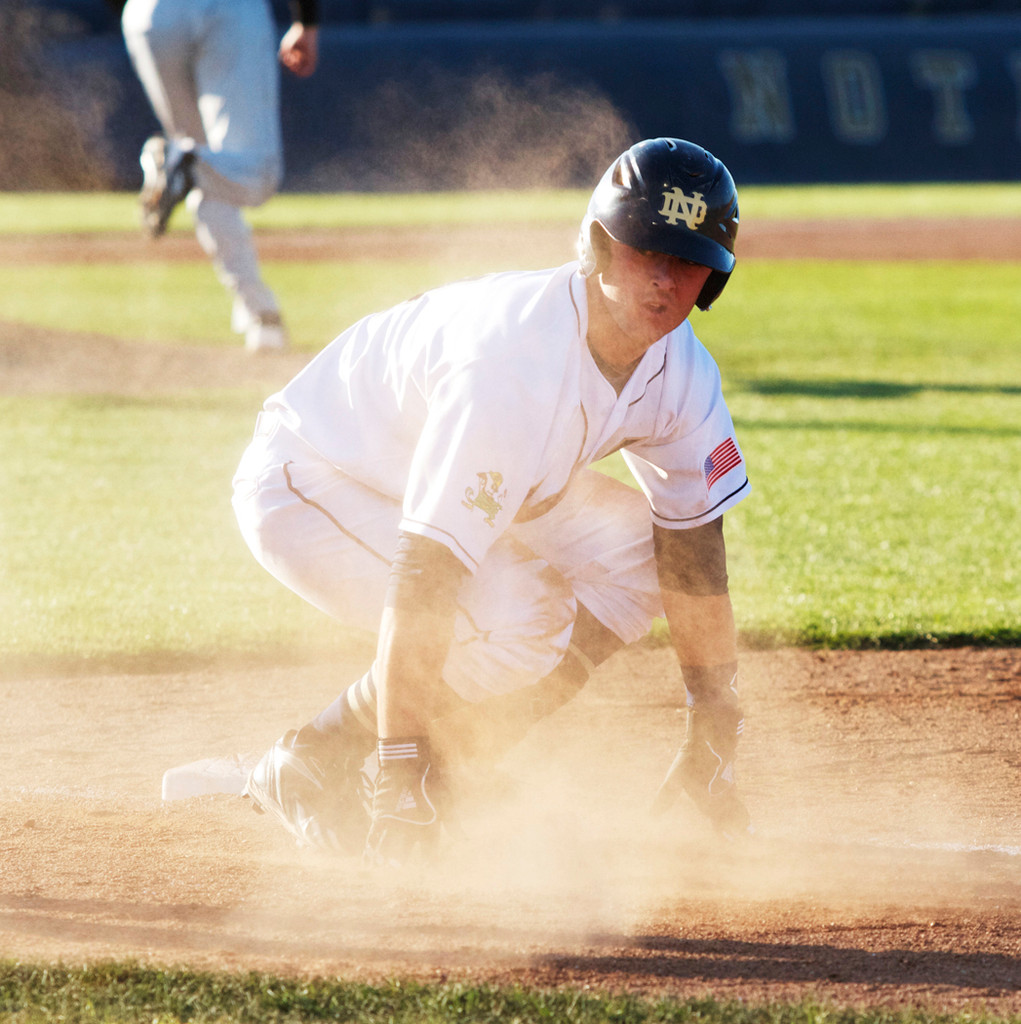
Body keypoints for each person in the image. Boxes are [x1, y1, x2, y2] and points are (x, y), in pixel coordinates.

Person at [231, 137, 753, 867]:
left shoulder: (682, 373)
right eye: (647, 251)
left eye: (687, 261)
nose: (665, 282)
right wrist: (398, 769)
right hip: (314, 475)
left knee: (644, 555)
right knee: (519, 616)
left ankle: (457, 763)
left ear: (713, 278)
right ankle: (316, 758)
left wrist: (712, 723)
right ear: (602, 247)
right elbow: (426, 572)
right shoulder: (513, 364)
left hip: (468, 474)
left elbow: (693, 555)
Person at [114, 0, 320, 352]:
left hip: (148, 15)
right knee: (254, 171)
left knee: (207, 170)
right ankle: (181, 159)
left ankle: (261, 315)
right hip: (226, 10)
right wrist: (306, 19)